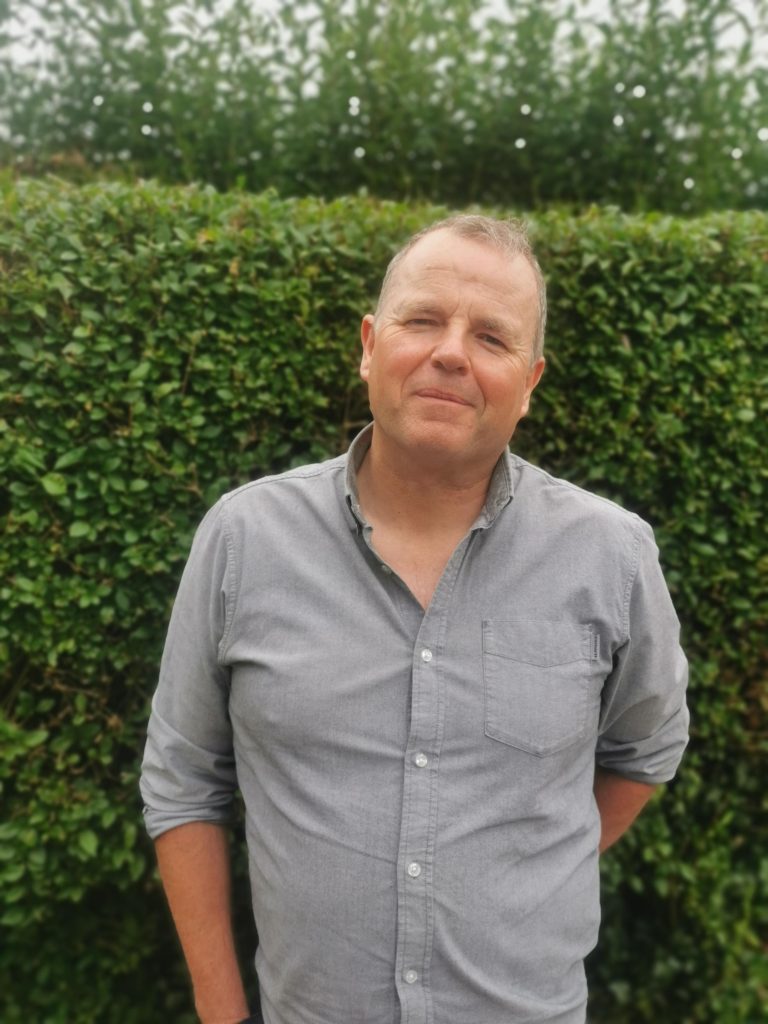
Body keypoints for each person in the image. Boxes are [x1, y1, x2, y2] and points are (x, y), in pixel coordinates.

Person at [140, 214, 689, 1024]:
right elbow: (183, 782)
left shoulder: (611, 555)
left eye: (492, 337)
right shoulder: (243, 539)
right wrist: (223, 1011)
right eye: (423, 319)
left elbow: (647, 749)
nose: (451, 353)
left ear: (531, 381)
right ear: (370, 343)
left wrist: (531, 867)